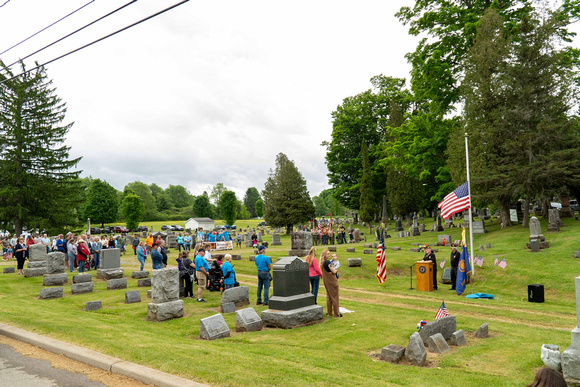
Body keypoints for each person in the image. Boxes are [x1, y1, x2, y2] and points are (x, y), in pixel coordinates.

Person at [321, 249, 341, 317]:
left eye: (329, 254)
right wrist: (336, 270)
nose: (329, 255)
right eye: (328, 254)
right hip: (332, 281)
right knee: (335, 297)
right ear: (324, 255)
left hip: (326, 281)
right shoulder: (327, 262)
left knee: (329, 297)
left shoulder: (322, 262)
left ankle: (329, 313)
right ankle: (336, 314)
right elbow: (334, 271)